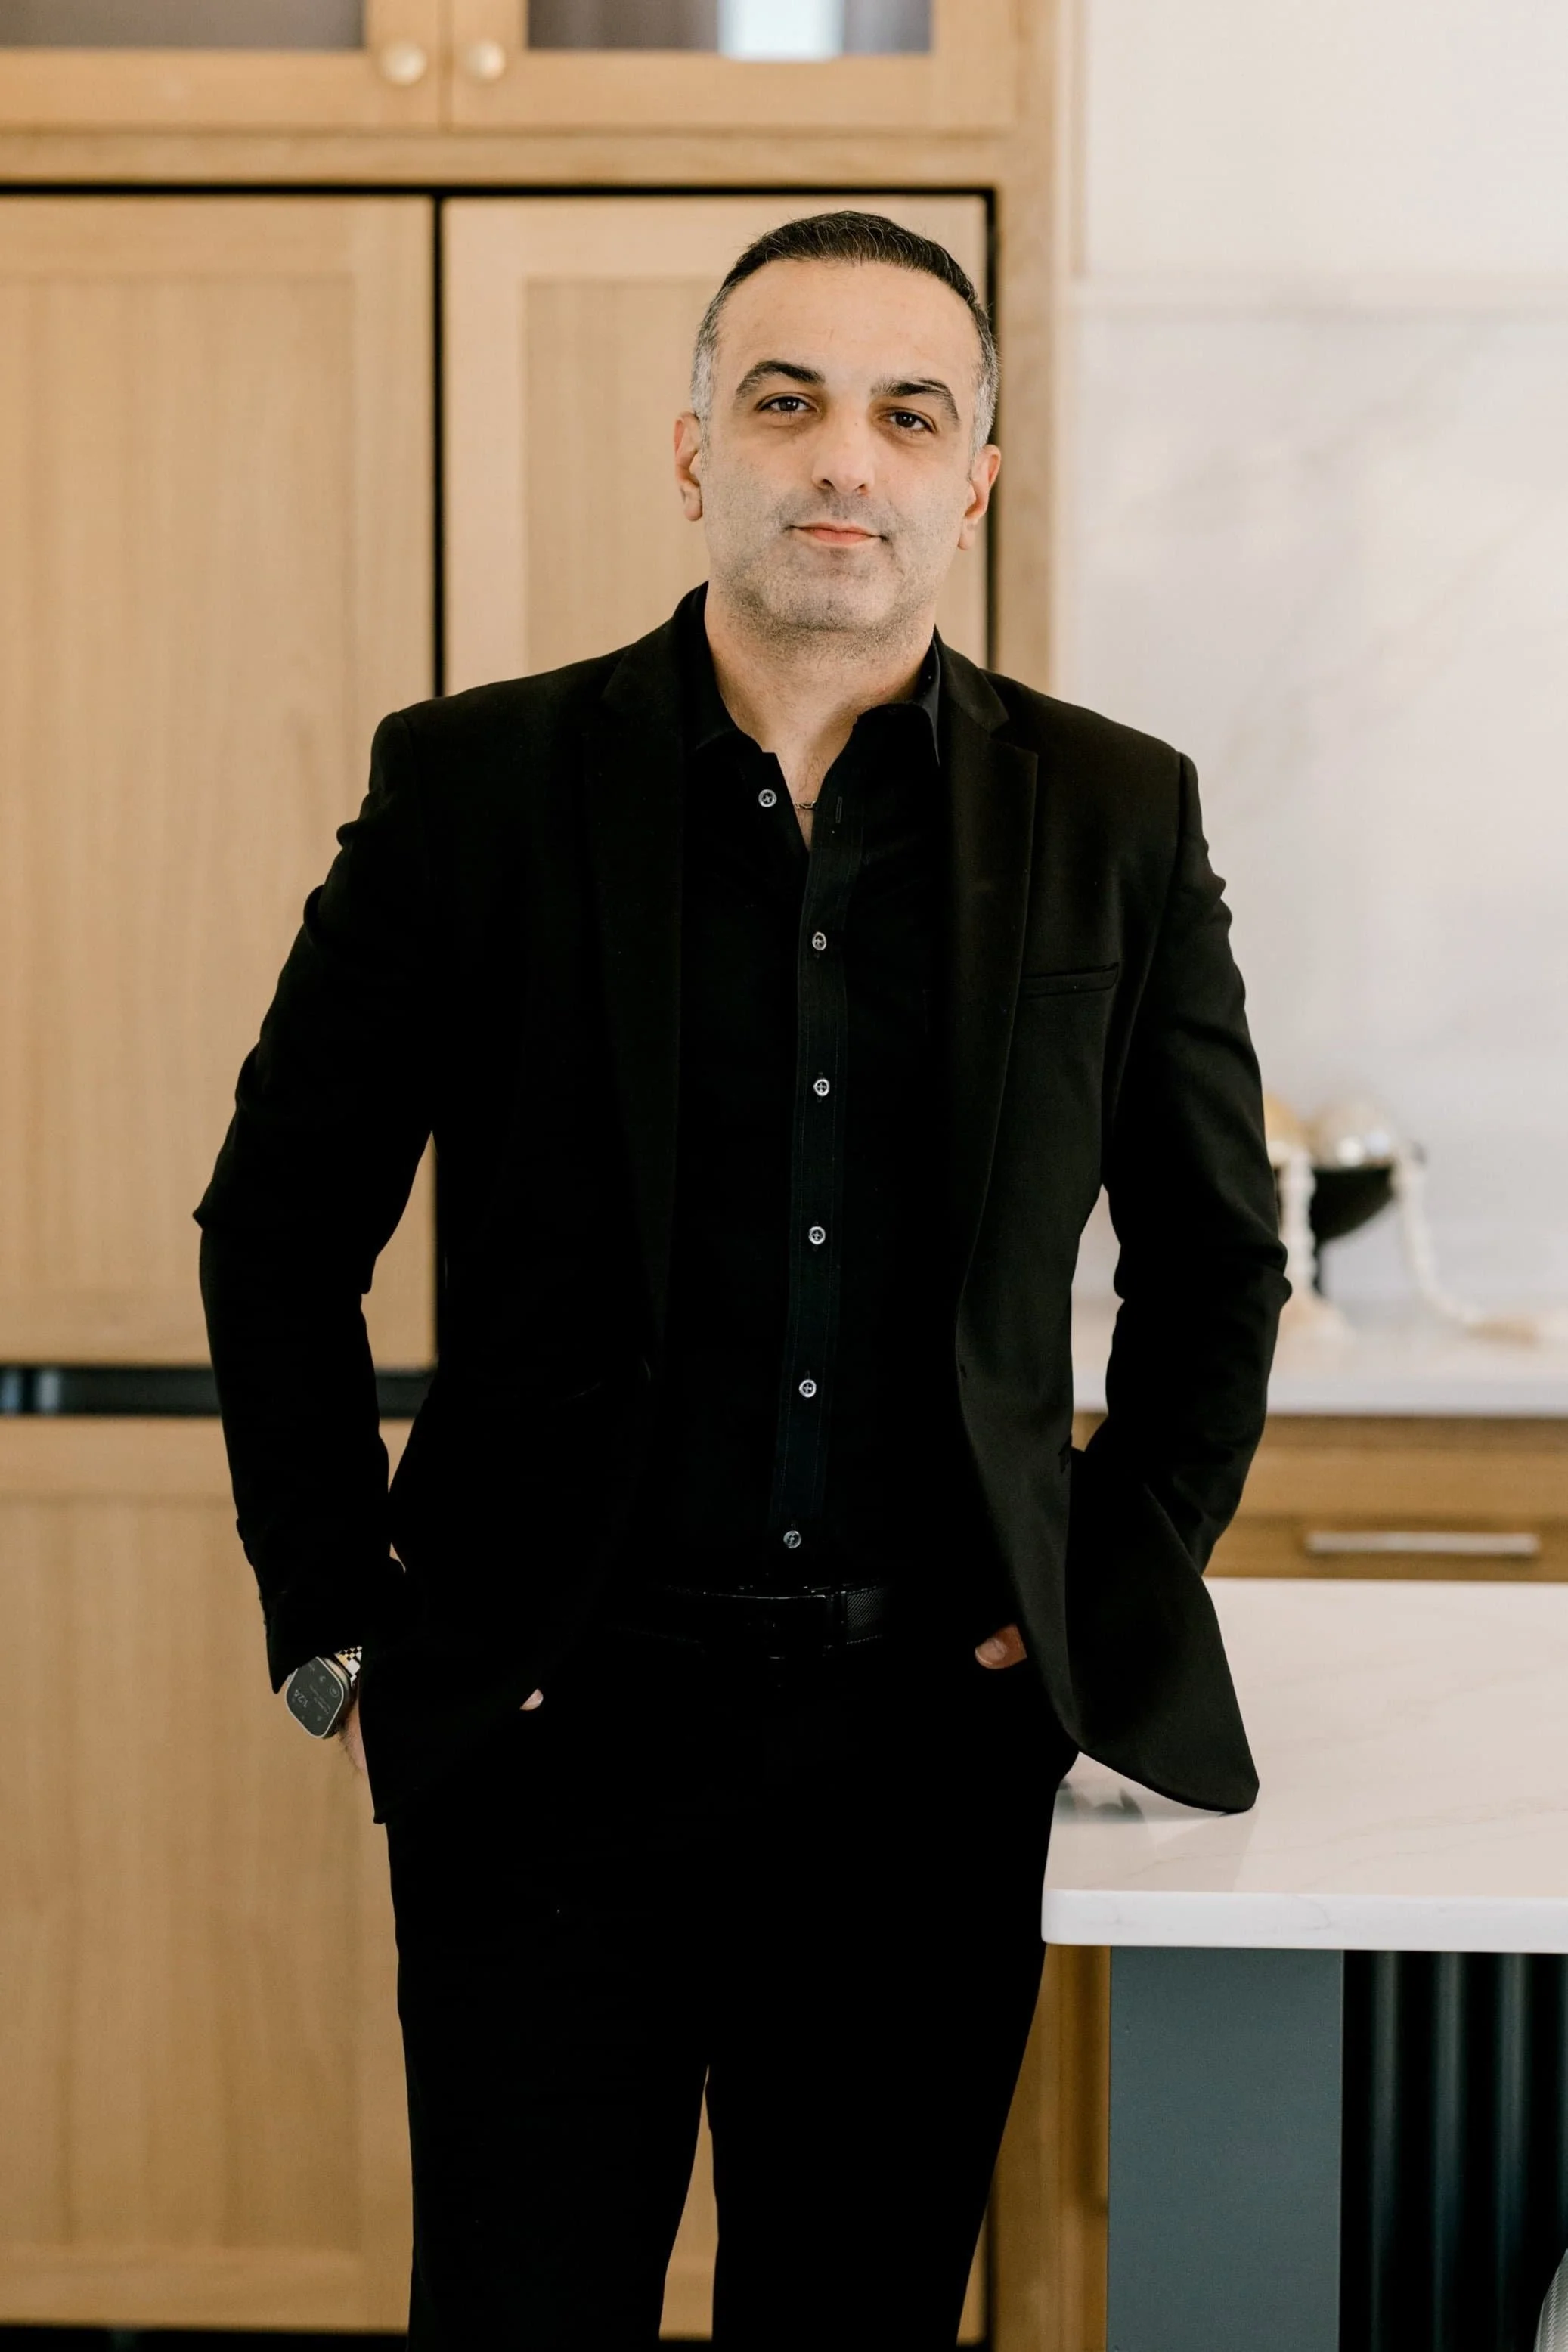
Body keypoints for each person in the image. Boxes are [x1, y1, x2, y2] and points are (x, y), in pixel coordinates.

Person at [197, 209, 1288, 2348]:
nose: (841, 462)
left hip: (922, 1755)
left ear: (974, 474)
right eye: (783, 402)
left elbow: (1218, 1262)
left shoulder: (1113, 816)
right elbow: (275, 1220)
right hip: (544, 1735)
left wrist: (1098, 1588)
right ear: (692, 448)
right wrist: (337, 1611)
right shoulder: (476, 789)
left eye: (907, 413)